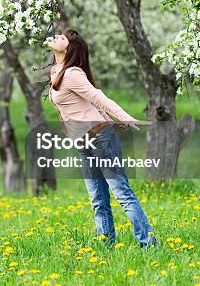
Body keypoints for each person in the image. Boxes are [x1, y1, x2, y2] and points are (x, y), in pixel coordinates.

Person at [47, 29, 158, 248]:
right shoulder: (56, 71)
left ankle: (149, 244)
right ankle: (106, 246)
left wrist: (126, 118)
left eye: (63, 38)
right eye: (58, 35)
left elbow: (99, 98)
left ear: (69, 49)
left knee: (121, 193)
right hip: (84, 141)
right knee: (97, 199)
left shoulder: (72, 73)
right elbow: (85, 105)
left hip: (100, 139)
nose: (57, 37)